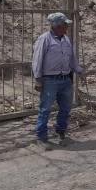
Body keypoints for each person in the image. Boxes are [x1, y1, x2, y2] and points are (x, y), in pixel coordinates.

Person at [31, 12, 83, 150]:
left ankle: (61, 132)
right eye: (65, 24)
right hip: (50, 80)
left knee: (66, 108)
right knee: (45, 109)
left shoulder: (65, 39)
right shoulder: (44, 39)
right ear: (58, 26)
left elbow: (71, 57)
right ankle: (41, 137)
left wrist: (78, 69)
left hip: (65, 79)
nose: (67, 27)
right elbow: (37, 59)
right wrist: (38, 79)